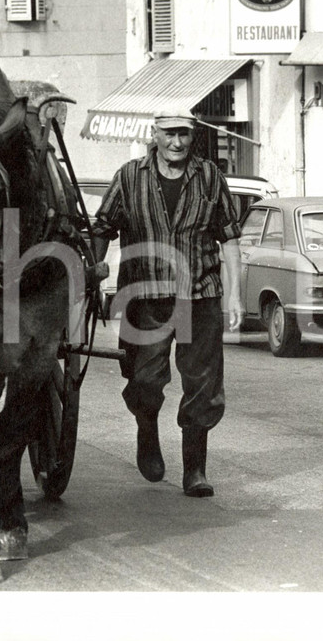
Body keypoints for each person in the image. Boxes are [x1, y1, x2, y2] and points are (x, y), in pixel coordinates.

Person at [91, 106, 243, 497]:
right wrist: (94, 271)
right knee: (144, 379)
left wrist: (236, 295)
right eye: (169, 134)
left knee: (203, 385)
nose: (177, 143)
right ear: (154, 135)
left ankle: (195, 469)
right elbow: (103, 227)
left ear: (193, 137)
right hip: (145, 297)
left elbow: (229, 237)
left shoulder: (210, 176)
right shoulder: (129, 177)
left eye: (184, 135)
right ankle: (147, 433)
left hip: (199, 295)